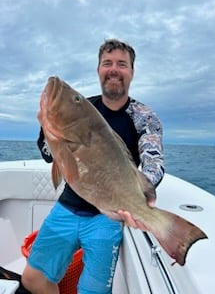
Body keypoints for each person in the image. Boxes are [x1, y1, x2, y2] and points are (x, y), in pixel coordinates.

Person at [22, 39, 165, 294]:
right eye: (107, 63)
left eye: (122, 64)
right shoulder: (85, 107)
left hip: (107, 217)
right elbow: (48, 155)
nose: (114, 69)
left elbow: (153, 160)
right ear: (98, 69)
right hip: (68, 205)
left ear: (132, 71)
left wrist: (139, 197)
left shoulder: (144, 115)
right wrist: (47, 127)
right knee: (32, 279)